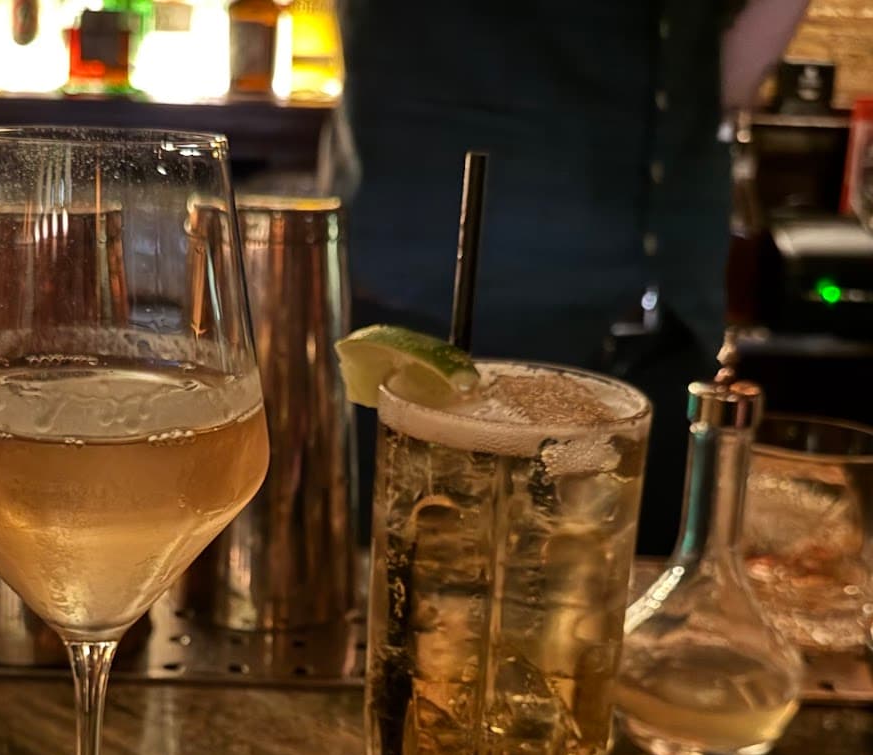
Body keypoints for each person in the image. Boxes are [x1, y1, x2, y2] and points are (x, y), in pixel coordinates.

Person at [337, 0, 811, 552]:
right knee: (442, 582)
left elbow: (718, 80)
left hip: (669, 330)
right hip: (448, 324)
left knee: (634, 588)